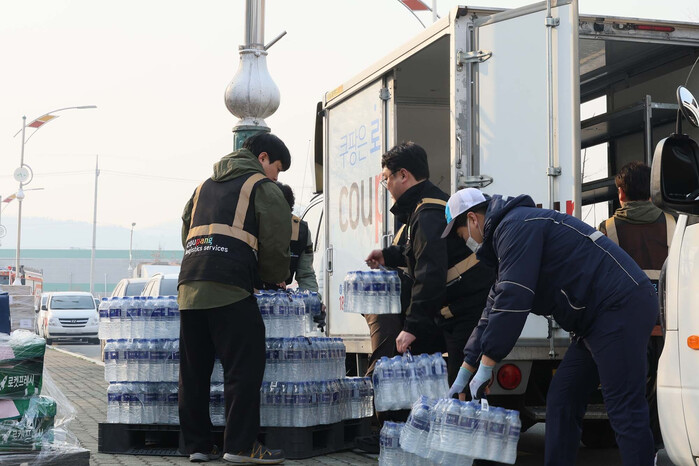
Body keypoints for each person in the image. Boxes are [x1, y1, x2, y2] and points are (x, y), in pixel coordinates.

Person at [445, 188, 659, 466]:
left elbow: (513, 299)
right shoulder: (510, 232)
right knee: (562, 398)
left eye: (461, 234)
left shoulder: (516, 226)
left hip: (619, 306)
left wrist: (487, 366)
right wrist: (465, 371)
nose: (466, 242)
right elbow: (492, 308)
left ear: (473, 219)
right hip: (595, 319)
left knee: (624, 408)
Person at [177, 132, 291, 464]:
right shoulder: (261, 187)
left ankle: (197, 446)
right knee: (244, 367)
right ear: (263, 158)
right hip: (229, 285)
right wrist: (271, 276)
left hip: (190, 285)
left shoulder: (202, 187)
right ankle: (240, 446)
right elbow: (275, 239)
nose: (276, 178)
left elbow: (186, 231)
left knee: (193, 371)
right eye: (277, 169)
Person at [365, 142, 495, 384]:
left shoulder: (427, 213)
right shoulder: (430, 204)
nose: (387, 186)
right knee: (456, 382)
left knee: (462, 386)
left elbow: (430, 273)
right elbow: (422, 253)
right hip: (459, 307)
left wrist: (412, 327)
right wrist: (388, 255)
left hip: (468, 309)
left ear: (403, 175)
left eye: (386, 179)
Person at [598, 161, 675, 455]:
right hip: (668, 325)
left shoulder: (607, 229)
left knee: (631, 395)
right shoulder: (673, 224)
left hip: (627, 328)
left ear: (621, 193)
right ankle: (657, 448)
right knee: (663, 393)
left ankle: (638, 451)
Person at [275, 182, 326, 330]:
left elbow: (305, 274)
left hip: (277, 303)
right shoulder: (252, 227)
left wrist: (314, 301)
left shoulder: (301, 231)